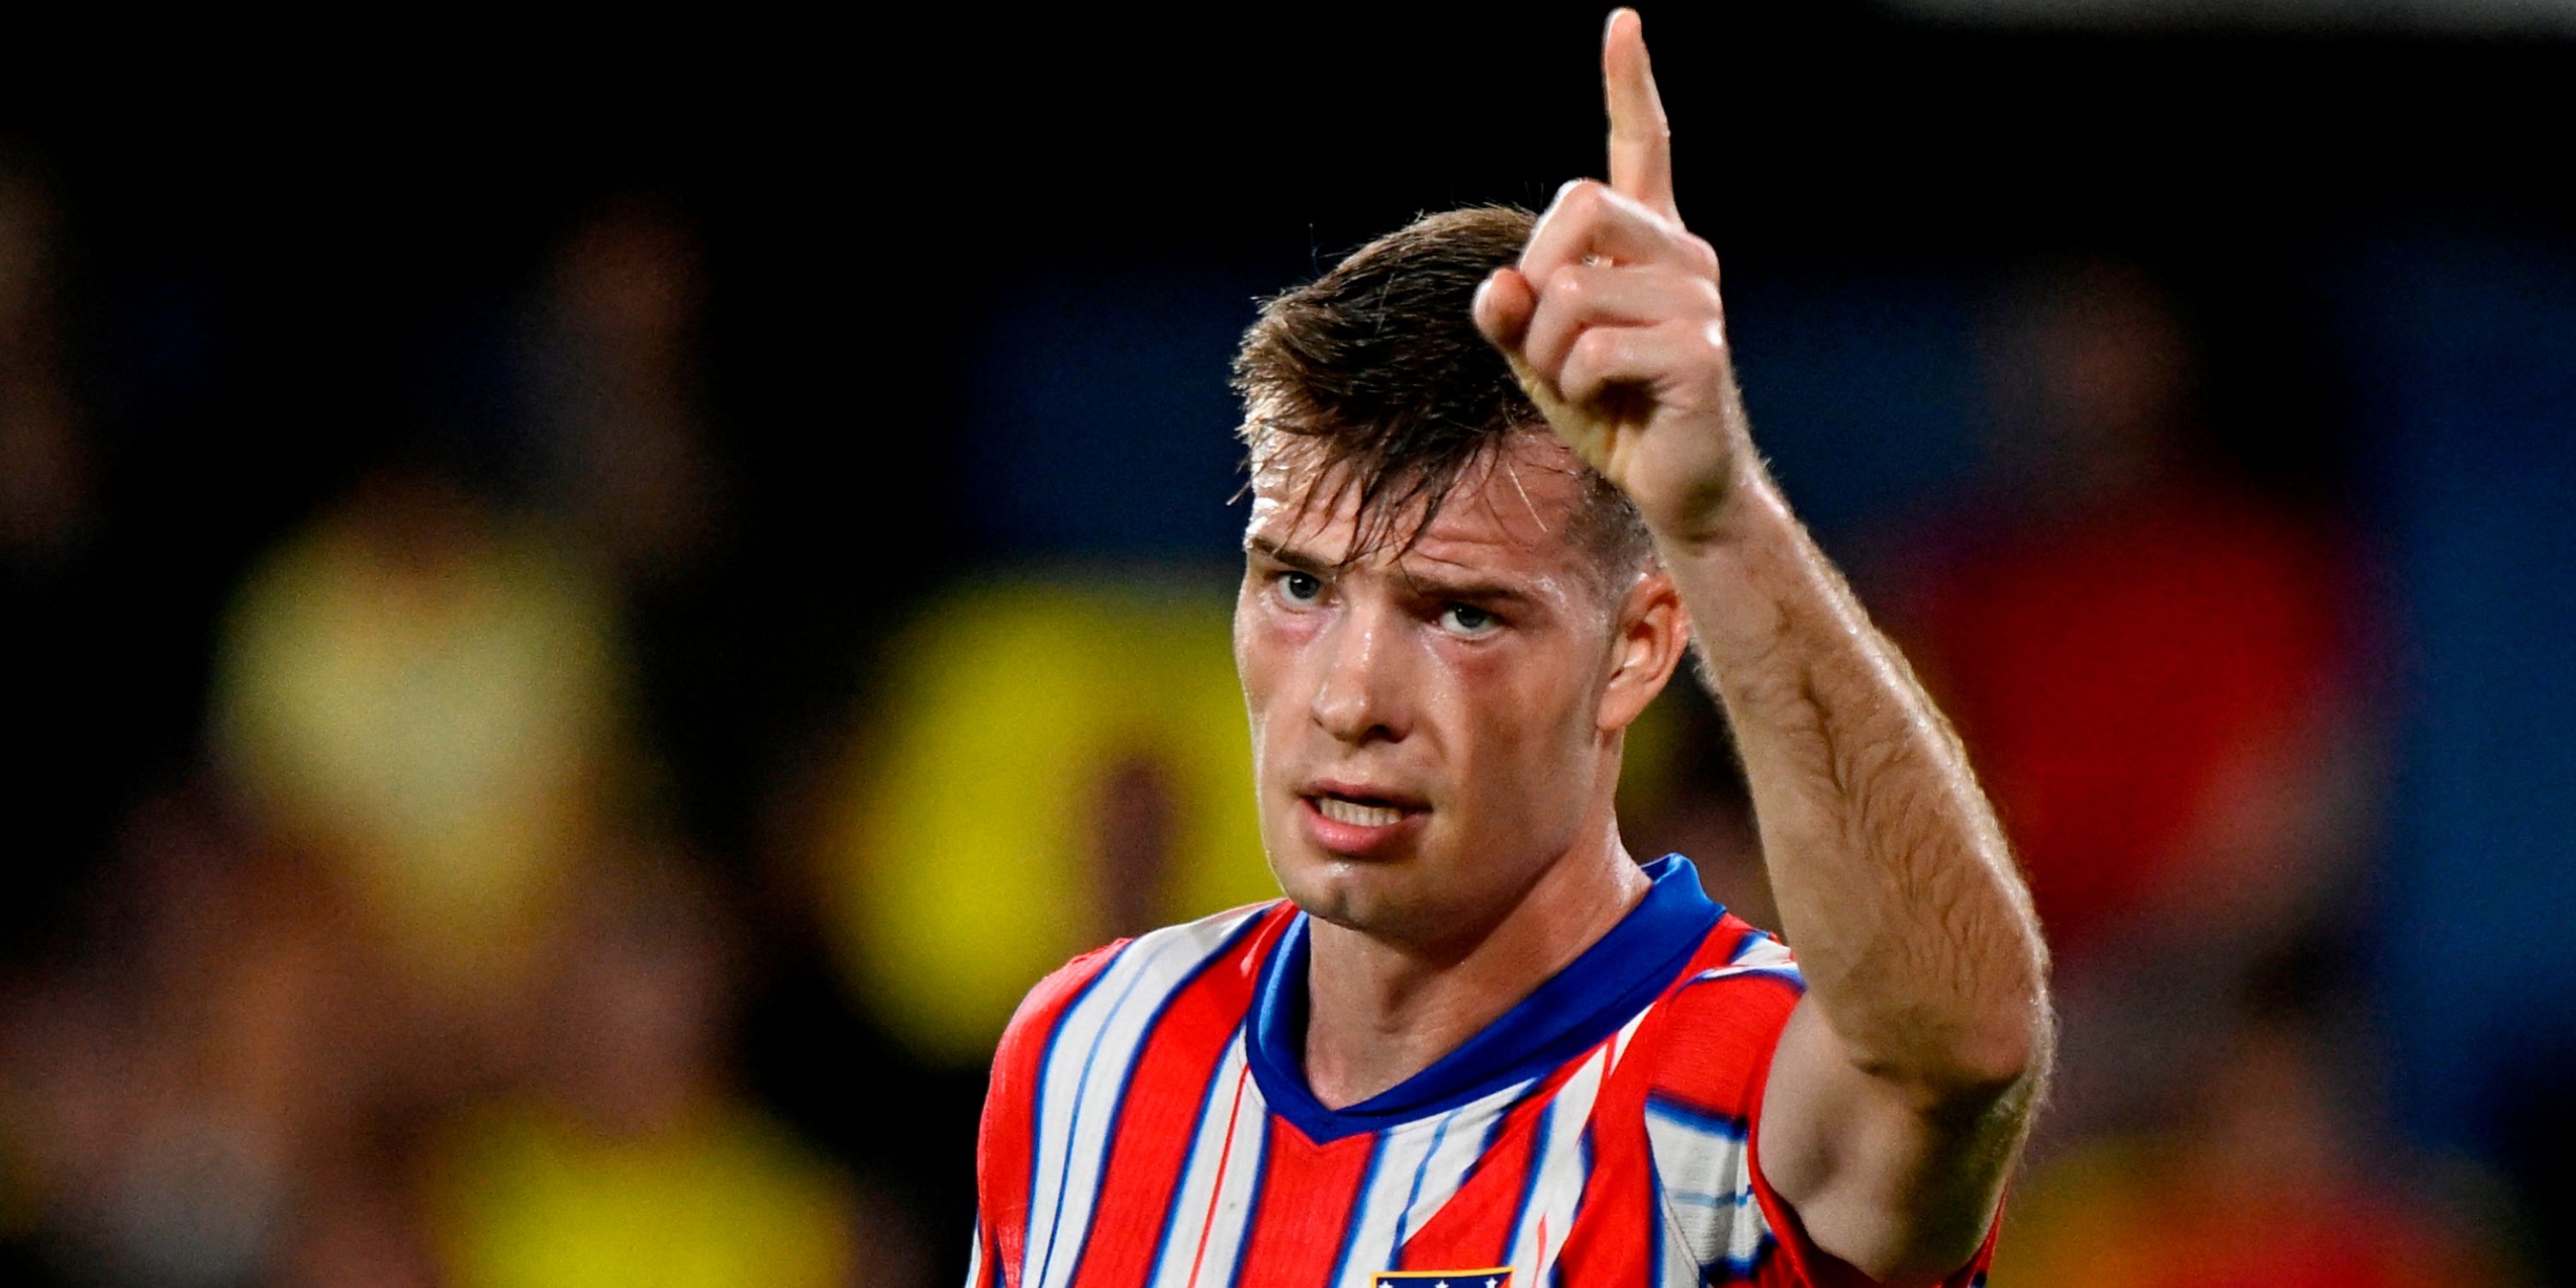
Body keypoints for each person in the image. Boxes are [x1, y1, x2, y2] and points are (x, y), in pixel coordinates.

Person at [969, 12, 2051, 1287]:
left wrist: (1716, 514)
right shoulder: (1088, 1054)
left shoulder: (1734, 1082)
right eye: (1301, 585)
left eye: (1462, 611)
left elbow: (1962, 1051)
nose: (1354, 697)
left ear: (1640, 650)